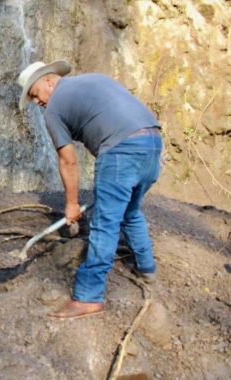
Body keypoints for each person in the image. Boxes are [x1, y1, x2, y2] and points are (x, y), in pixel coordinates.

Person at [17, 60, 163, 319]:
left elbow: (68, 160)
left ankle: (88, 296)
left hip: (121, 149)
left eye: (34, 93)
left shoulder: (54, 110)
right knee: (130, 211)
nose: (36, 102)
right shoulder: (95, 78)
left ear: (49, 80)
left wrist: (72, 203)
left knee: (105, 223)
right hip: (151, 142)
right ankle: (146, 268)